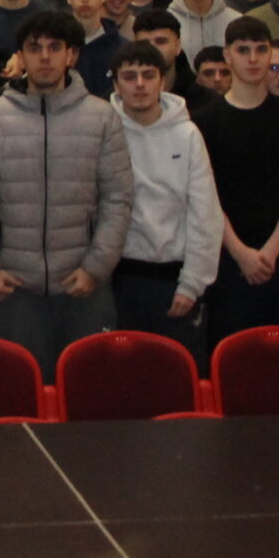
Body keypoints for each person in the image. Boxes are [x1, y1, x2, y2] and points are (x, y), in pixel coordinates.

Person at [0, 10, 135, 368]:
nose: (45, 57)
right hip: (15, 288)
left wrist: (96, 267)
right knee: (22, 388)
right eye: (34, 48)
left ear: (71, 55)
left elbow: (118, 199)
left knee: (87, 389)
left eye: (55, 47)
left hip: (84, 285)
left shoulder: (102, 117)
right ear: (21, 56)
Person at [193, 16, 279, 343]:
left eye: (261, 50)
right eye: (243, 50)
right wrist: (241, 253)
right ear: (227, 55)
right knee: (232, 355)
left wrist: (270, 252)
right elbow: (204, 197)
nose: (253, 58)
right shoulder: (203, 122)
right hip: (227, 256)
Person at [105, 46, 221, 369]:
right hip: (119, 282)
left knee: (179, 379)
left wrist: (192, 284)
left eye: (148, 75)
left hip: (176, 282)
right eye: (130, 77)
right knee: (126, 382)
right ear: (116, 85)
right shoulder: (105, 132)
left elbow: (205, 215)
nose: (139, 84)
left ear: (163, 82)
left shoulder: (187, 135)